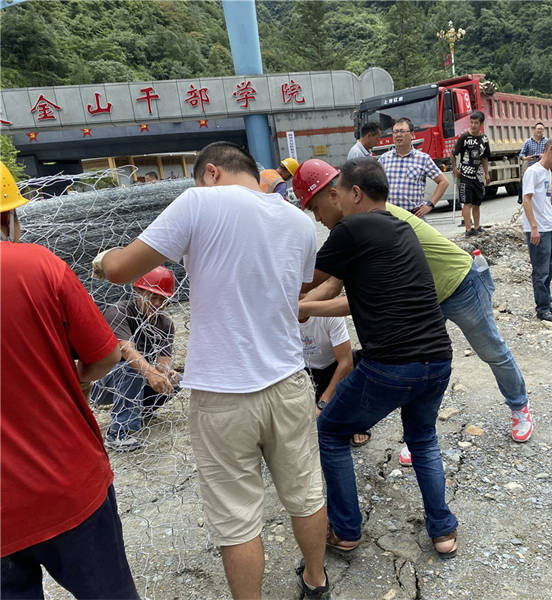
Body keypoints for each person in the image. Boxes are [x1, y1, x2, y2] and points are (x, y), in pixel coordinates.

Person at [92, 142, 330, 599]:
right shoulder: (299, 222)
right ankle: (316, 581)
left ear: (212, 172)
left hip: (221, 393)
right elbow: (297, 288)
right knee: (305, 492)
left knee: (237, 518)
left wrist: (103, 261)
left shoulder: (198, 202)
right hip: (287, 381)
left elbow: (121, 269)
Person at [293, 157, 459, 560]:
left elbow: (308, 279)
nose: (320, 216)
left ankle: (346, 530)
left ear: (353, 193)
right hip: (438, 359)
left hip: (392, 365)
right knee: (422, 438)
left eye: (319, 206)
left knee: (330, 432)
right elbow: (358, 302)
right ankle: (443, 531)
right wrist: (307, 307)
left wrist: (285, 300)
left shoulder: (351, 229)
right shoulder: (400, 229)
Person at [0, 162, 139, 599]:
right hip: (67, 483)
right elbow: (106, 354)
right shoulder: (38, 265)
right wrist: (76, 381)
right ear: (8, 216)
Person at [91, 266, 181, 452]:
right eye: (153, 297)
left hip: (137, 380)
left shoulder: (165, 324)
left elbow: (163, 361)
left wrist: (165, 373)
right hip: (104, 382)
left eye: (163, 299)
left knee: (177, 380)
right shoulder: (119, 311)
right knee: (131, 368)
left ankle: (140, 411)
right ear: (138, 292)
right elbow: (126, 350)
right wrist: (151, 373)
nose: (158, 303)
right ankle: (118, 432)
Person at [298, 314, 367, 446]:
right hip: (305, 369)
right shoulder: (280, 315)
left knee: (363, 366)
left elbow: (346, 363)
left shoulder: (327, 312)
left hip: (334, 365)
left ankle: (357, 417)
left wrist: (323, 402)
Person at [521, 136, 552, 323]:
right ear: (550, 149)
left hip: (550, 226)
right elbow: (526, 200)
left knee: (548, 269)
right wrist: (533, 227)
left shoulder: (548, 171)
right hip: (538, 228)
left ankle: (547, 303)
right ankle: (541, 308)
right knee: (540, 271)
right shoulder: (533, 172)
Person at [378, 117, 448, 218]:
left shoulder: (423, 159)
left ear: (412, 134)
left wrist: (430, 205)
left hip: (414, 215)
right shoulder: (384, 159)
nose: (398, 135)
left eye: (402, 131)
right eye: (395, 132)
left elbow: (443, 182)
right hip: (391, 217)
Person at [452, 110, 491, 237]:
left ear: (481, 124)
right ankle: (468, 229)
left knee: (477, 203)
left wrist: (486, 173)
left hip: (478, 176)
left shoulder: (484, 139)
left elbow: (485, 157)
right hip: (465, 175)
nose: (473, 125)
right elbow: (453, 154)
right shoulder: (464, 137)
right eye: (471, 122)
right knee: (467, 203)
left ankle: (477, 226)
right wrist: (455, 169)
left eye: (476, 123)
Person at [517, 121, 547, 204]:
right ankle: (522, 200)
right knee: (526, 184)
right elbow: (521, 154)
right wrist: (526, 158)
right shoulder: (528, 142)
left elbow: (551, 153)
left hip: (543, 168)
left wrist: (543, 155)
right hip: (531, 168)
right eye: (538, 129)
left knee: (542, 187)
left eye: (541, 129)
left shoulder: (547, 142)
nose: (540, 131)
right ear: (534, 130)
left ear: (543, 131)